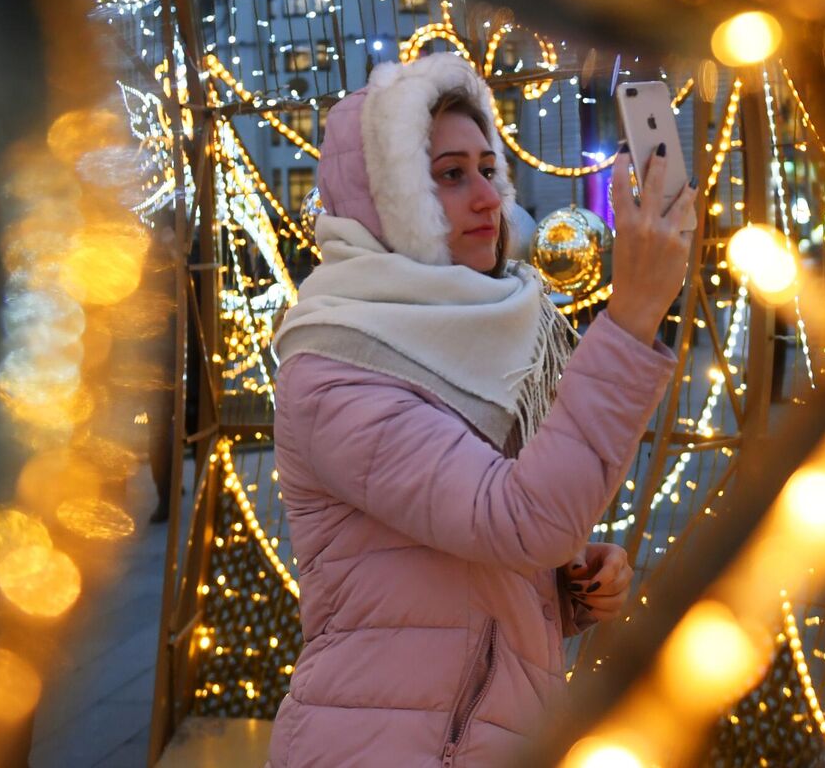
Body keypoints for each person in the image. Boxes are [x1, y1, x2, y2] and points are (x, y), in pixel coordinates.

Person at [267, 52, 695, 766]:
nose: (488, 198)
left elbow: (478, 555)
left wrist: (562, 589)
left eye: (489, 169)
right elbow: (517, 518)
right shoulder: (336, 368)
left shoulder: (496, 329)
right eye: (449, 175)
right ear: (387, 197)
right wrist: (633, 317)